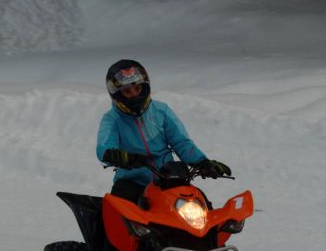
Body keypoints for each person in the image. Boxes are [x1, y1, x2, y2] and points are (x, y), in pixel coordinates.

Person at [96, 59, 231, 204]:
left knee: (200, 203)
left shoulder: (161, 111)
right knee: (118, 210)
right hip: (132, 182)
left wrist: (203, 162)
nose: (134, 94)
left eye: (137, 88)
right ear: (117, 95)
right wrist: (119, 156)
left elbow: (181, 142)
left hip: (168, 179)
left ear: (145, 87)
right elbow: (104, 147)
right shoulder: (112, 120)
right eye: (127, 91)